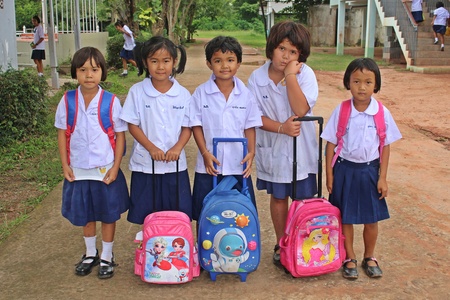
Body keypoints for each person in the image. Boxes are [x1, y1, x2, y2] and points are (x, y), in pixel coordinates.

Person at [321, 58, 402, 279]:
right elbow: (330, 144)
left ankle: (370, 256)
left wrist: (382, 178)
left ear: (376, 85)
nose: (362, 87)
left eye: (368, 82)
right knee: (345, 217)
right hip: (344, 171)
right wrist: (330, 176)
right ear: (348, 82)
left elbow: (385, 147)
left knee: (371, 218)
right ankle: (350, 257)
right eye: (356, 81)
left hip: (369, 172)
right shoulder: (342, 110)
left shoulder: (381, 113)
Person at [247, 21, 319, 266]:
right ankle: (282, 243)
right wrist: (281, 128)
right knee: (279, 198)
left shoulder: (305, 74)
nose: (286, 56)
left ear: (301, 56)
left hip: (302, 150)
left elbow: (301, 109)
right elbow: (253, 116)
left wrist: (290, 76)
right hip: (274, 148)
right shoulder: (256, 78)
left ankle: (303, 244)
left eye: (293, 52)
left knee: (303, 199)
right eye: (281, 49)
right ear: (271, 48)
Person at [54, 47, 130, 279]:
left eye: (94, 70)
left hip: (105, 170)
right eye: (83, 70)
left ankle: (107, 255)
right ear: (75, 73)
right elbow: (61, 134)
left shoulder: (110, 101)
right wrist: (65, 165)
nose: (89, 75)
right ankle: (90, 253)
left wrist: (116, 167)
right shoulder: (67, 101)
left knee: (108, 214)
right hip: (78, 170)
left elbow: (120, 136)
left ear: (102, 72)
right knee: (86, 214)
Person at [189, 36, 262, 226]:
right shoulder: (200, 92)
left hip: (238, 164)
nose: (224, 66)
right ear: (208, 63)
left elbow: (250, 126)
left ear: (238, 63)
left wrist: (251, 152)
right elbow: (195, 124)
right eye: (217, 61)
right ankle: (204, 250)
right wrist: (205, 153)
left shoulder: (246, 95)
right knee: (206, 213)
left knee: (240, 214)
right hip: (209, 165)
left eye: (230, 60)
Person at [120, 36, 192, 224]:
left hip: (174, 166)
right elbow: (132, 124)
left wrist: (177, 148)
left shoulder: (183, 94)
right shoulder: (137, 91)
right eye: (154, 61)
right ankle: (150, 246)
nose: (160, 67)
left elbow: (187, 127)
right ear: (145, 62)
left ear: (174, 62)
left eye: (166, 61)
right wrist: (151, 148)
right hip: (145, 165)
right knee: (147, 213)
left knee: (175, 214)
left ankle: (173, 248)